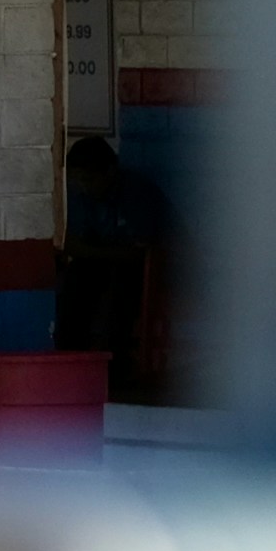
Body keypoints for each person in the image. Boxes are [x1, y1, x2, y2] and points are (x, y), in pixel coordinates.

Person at [56, 132, 181, 398]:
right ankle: (69, 362)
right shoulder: (82, 196)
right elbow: (77, 244)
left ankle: (116, 371)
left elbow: (141, 255)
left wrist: (90, 251)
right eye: (77, 179)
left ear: (110, 171)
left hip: (156, 270)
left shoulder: (137, 193)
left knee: (122, 284)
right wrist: (89, 252)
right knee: (76, 279)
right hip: (108, 263)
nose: (82, 186)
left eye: (88, 179)